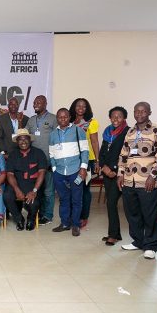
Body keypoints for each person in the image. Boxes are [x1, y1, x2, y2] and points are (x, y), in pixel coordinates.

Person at [118, 102, 157, 259]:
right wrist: (120, 174)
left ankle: (151, 246)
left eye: (143, 111)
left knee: (149, 214)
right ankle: (138, 241)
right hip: (129, 180)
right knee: (132, 213)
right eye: (136, 111)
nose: (139, 114)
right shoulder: (130, 131)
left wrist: (153, 175)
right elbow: (124, 154)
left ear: (149, 112)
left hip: (147, 180)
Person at [49, 108, 89, 237]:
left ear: (69, 117)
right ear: (57, 118)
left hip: (75, 171)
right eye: (60, 117)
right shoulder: (53, 134)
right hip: (59, 172)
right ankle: (65, 223)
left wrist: (83, 168)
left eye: (65, 116)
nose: (63, 119)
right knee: (63, 199)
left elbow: (85, 150)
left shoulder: (78, 130)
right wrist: (54, 169)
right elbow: (51, 153)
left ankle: (75, 225)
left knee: (76, 199)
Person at [4, 129, 47, 231]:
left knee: (34, 202)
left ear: (30, 140)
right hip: (17, 183)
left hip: (34, 185)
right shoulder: (13, 155)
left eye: (25, 139)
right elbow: (10, 174)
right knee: (7, 196)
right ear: (17, 141)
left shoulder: (39, 153)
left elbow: (42, 172)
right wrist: (17, 190)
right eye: (20, 139)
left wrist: (34, 190)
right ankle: (19, 219)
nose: (23, 142)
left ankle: (31, 219)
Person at [98, 106, 129, 245]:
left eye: (119, 116)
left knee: (111, 202)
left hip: (120, 174)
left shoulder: (128, 132)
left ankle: (113, 235)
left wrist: (115, 169)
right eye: (113, 116)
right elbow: (103, 152)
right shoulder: (107, 132)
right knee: (111, 203)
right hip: (107, 172)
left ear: (124, 118)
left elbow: (127, 154)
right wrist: (103, 167)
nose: (116, 119)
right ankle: (116, 234)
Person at [25, 95, 57, 225]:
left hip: (48, 161)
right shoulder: (31, 120)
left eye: (39, 102)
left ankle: (47, 215)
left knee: (48, 190)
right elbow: (25, 137)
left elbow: (57, 139)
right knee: (37, 189)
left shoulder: (53, 118)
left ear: (45, 104)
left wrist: (54, 160)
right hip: (34, 161)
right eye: (34, 102)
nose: (35, 104)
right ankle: (39, 212)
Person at [69, 98, 99, 228]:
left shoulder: (91, 122)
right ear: (74, 107)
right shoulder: (69, 121)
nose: (81, 108)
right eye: (78, 106)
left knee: (85, 189)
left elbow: (95, 142)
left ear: (87, 109)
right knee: (72, 188)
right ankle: (73, 215)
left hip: (87, 159)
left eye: (84, 106)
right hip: (71, 159)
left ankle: (83, 216)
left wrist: (97, 161)